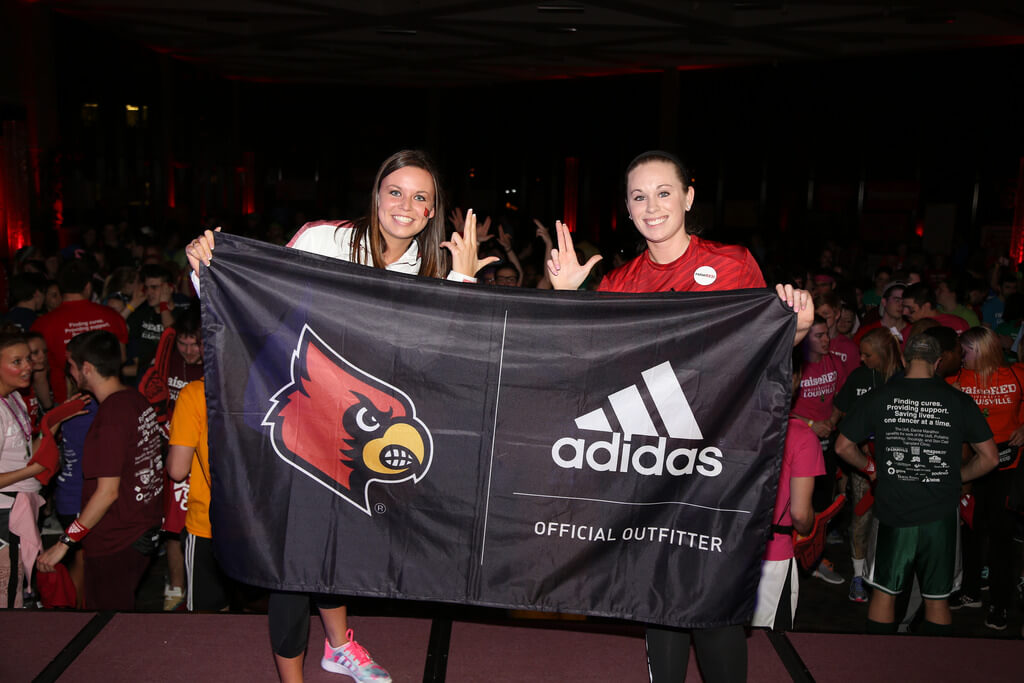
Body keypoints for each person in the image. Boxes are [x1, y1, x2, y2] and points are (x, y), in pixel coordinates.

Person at [187, 149, 496, 683]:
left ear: (431, 213)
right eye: (395, 191)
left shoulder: (431, 268)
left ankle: (337, 644)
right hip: (298, 421)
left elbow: (442, 354)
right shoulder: (323, 240)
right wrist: (207, 269)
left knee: (335, 545)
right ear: (376, 195)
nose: (406, 204)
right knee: (292, 558)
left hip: (359, 433)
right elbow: (260, 302)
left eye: (420, 197)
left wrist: (463, 280)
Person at [544, 150, 813, 683]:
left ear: (688, 197)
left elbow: (761, 355)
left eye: (663, 192)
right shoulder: (620, 283)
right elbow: (591, 371)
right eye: (639, 196)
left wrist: (798, 329)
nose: (652, 206)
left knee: (713, 605)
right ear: (626, 207)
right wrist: (572, 299)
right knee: (658, 598)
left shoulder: (734, 263)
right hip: (652, 464)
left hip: (717, 465)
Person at [835, 334, 999, 636]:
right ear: (938, 362)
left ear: (903, 357)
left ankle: (877, 665)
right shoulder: (957, 400)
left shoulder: (881, 395)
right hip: (941, 513)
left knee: (885, 593)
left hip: (892, 509)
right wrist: (955, 476)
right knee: (937, 600)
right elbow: (989, 458)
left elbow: (843, 446)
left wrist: (871, 468)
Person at [36, 330, 165, 611]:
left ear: (87, 368)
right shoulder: (134, 399)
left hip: (118, 538)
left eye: (71, 366)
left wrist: (64, 543)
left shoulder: (110, 418)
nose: (69, 373)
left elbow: (106, 493)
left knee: (107, 626)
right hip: (141, 526)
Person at [0, 331, 86, 607]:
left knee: (17, 585)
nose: (28, 366)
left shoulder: (14, 397)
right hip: (4, 513)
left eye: (29, 358)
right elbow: (30, 464)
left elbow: (28, 451)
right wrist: (33, 470)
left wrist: (54, 420)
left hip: (19, 507)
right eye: (17, 362)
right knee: (7, 590)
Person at [947, 327, 1024, 630]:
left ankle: (1000, 604)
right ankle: (970, 590)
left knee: (1002, 538)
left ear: (982, 350)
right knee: (970, 530)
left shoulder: (1016, 374)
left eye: (965, 351)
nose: (960, 357)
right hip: (971, 466)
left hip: (1008, 469)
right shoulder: (957, 380)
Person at [752, 349, 824, 630]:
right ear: (795, 381)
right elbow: (800, 513)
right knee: (770, 645)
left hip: (726, 549)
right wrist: (812, 527)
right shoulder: (802, 437)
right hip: (773, 554)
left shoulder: (730, 425)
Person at [833, 328, 904, 603]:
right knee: (861, 520)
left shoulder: (903, 379)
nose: (861, 359)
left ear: (883, 354)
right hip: (864, 461)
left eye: (867, 354)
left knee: (892, 522)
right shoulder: (859, 376)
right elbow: (841, 410)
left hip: (897, 463)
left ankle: (887, 576)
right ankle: (858, 576)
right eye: (860, 353)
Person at [31, 261, 129, 404]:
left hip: (68, 403)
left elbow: (39, 374)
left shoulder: (42, 324)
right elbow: (121, 358)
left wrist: (48, 408)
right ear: (88, 287)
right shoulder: (112, 316)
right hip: (110, 399)